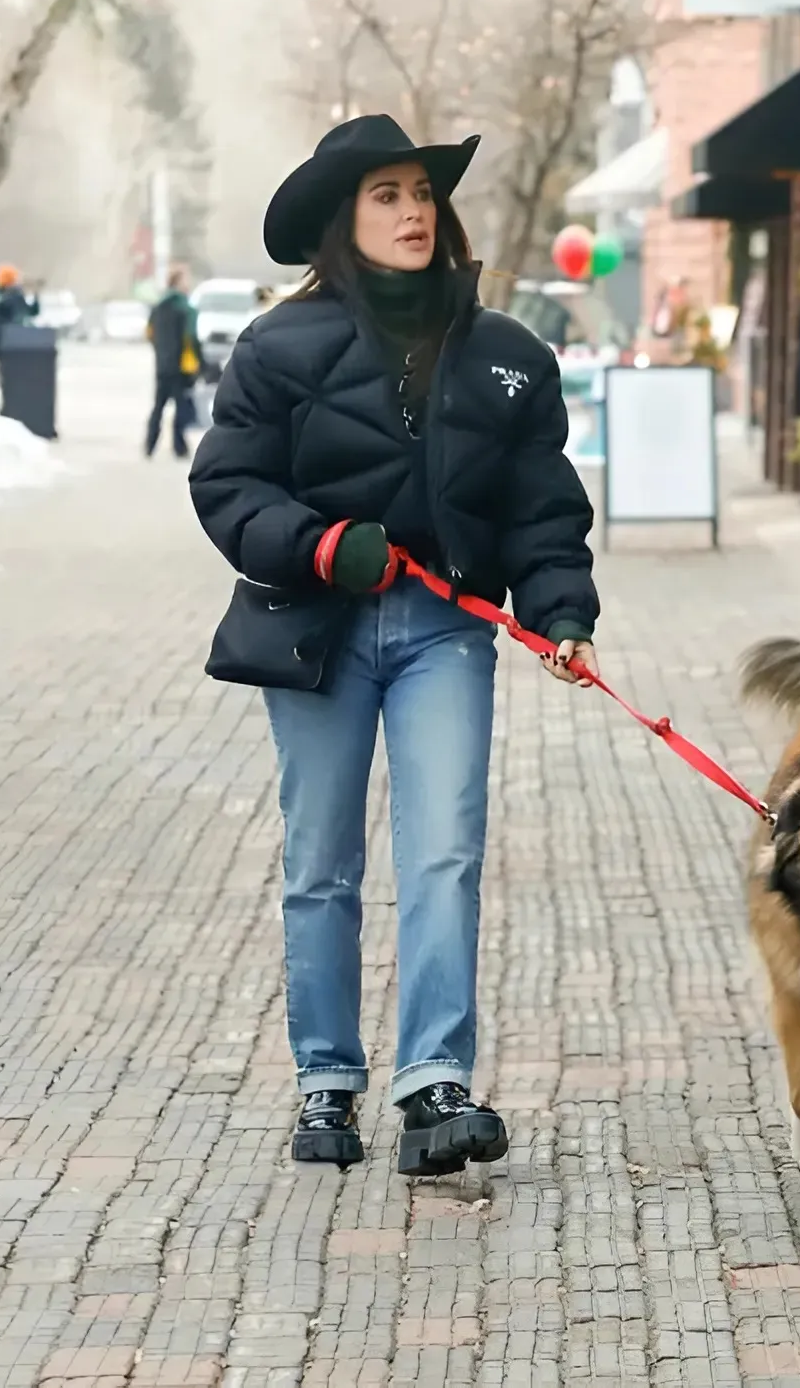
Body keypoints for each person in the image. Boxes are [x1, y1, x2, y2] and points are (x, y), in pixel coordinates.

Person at [188, 113, 599, 1176]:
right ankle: (326, 1084)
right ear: (343, 220)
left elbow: (539, 505)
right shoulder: (276, 349)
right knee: (321, 862)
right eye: (387, 195)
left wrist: (561, 613)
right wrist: (324, 547)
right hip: (314, 630)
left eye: (421, 193)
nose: (413, 211)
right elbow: (226, 487)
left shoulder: (507, 356)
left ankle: (434, 1086)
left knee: (444, 854)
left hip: (446, 629)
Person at [144, 267, 200, 459]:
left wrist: (160, 351)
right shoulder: (185, 308)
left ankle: (149, 444)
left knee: (158, 407)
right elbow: (190, 338)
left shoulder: (158, 307)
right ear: (178, 282)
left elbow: (149, 333)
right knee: (181, 407)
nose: (188, 285)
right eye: (186, 280)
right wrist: (197, 364)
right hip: (180, 367)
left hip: (162, 365)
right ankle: (179, 446)